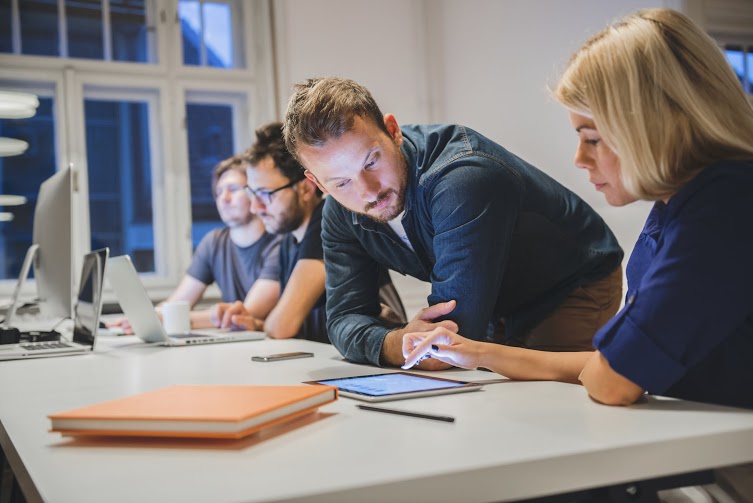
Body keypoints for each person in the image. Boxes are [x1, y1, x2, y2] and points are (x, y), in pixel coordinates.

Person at [402, 9, 753, 414]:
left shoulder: (724, 208)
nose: (579, 158)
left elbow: (613, 381)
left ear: (655, 125)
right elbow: (616, 363)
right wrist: (480, 354)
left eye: (593, 138)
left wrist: (612, 368)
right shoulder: (678, 203)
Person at [282, 77, 623, 368]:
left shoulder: (463, 178)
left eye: (371, 161)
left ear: (392, 131)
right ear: (318, 183)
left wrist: (391, 342)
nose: (368, 191)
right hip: (492, 301)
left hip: (569, 285)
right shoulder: (339, 212)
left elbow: (448, 341)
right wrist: (397, 341)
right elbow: (343, 320)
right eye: (341, 183)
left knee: (552, 411)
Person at [211, 123, 406, 343]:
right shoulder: (289, 239)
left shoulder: (327, 222)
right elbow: (295, 326)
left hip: (381, 357)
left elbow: (284, 325)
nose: (256, 208)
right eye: (252, 194)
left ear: (306, 187)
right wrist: (255, 324)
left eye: (265, 195)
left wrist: (270, 324)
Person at [108, 155, 281, 332]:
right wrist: (144, 318)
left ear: (255, 192)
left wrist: (162, 319)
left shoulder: (279, 244)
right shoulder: (214, 242)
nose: (224, 198)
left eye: (233, 189)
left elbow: (246, 314)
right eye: (219, 192)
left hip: (273, 346)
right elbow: (179, 301)